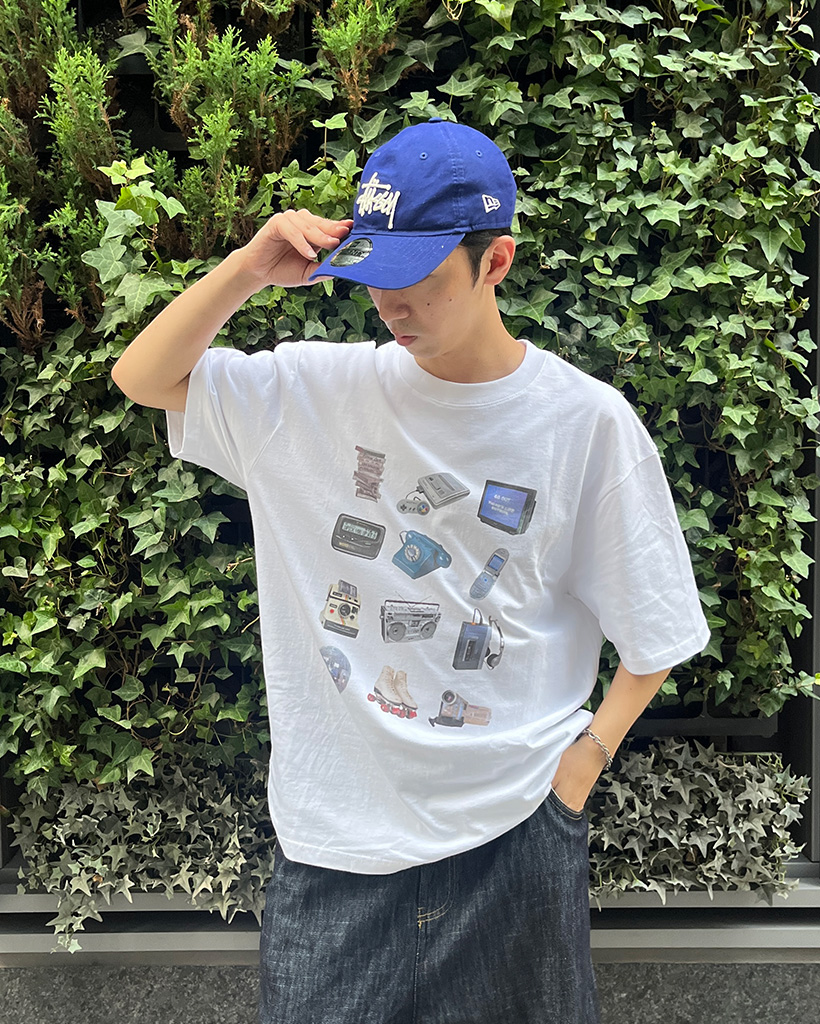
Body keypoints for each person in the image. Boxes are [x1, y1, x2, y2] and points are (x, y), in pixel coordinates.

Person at [111, 118, 710, 1024]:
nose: (391, 306)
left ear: (495, 261)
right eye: (375, 274)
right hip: (334, 849)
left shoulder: (584, 424)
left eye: (419, 279)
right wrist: (245, 269)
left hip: (512, 837)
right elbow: (143, 378)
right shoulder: (307, 393)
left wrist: (577, 776)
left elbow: (655, 630)